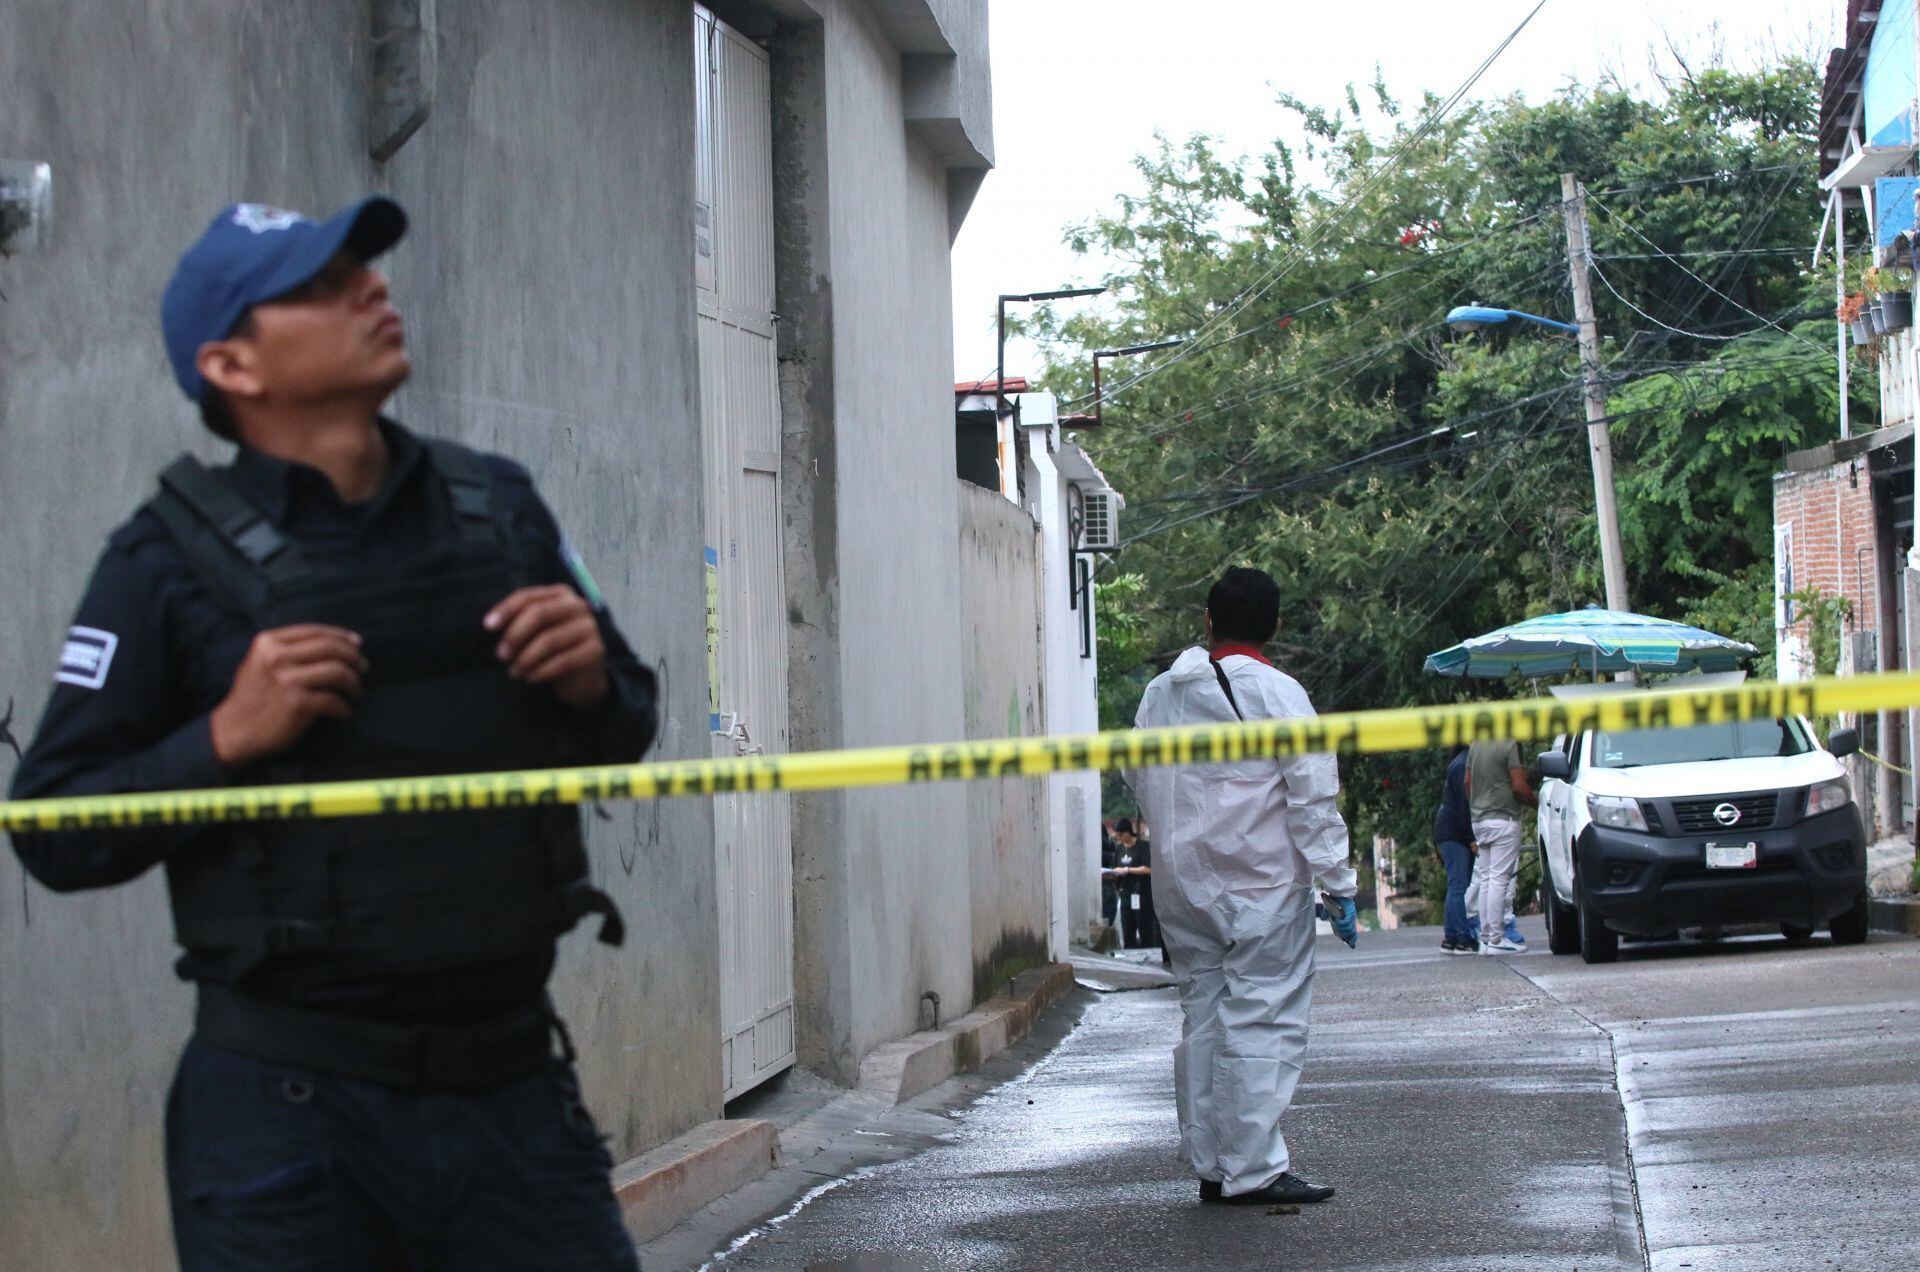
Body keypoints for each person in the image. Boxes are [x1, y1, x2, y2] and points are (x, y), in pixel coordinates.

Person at [7, 198, 658, 1270]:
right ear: (233, 366)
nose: (373, 289)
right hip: (287, 1123)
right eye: (318, 285)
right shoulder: (162, 560)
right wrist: (221, 737)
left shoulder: (501, 510)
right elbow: (52, 829)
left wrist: (594, 680)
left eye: (368, 269)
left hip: (513, 1103)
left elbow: (625, 728)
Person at [1129, 566, 1358, 1207]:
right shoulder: (1279, 694)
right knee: (1262, 1021)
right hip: (1258, 887)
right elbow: (1312, 799)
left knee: (1203, 1017)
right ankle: (1252, 1170)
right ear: (1276, 627)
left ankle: (1212, 1163)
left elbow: (1137, 778)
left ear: (1208, 621)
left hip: (1181, 887)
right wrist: (1339, 883)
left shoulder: (1159, 696)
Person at [1466, 733, 1537, 956]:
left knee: (1486, 878)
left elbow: (1467, 782)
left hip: (1480, 820)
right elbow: (1518, 785)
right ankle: (1497, 938)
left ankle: (1485, 938)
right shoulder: (1509, 744)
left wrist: (1477, 806)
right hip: (1503, 819)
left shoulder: (1476, 744)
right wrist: (1536, 802)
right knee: (1498, 880)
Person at [1434, 746, 1476, 954]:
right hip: (1455, 832)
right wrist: (1471, 838)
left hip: (1448, 830)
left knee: (1455, 885)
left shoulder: (1459, 761)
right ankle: (1463, 938)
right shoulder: (1463, 765)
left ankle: (1450, 936)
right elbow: (1463, 805)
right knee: (1459, 885)